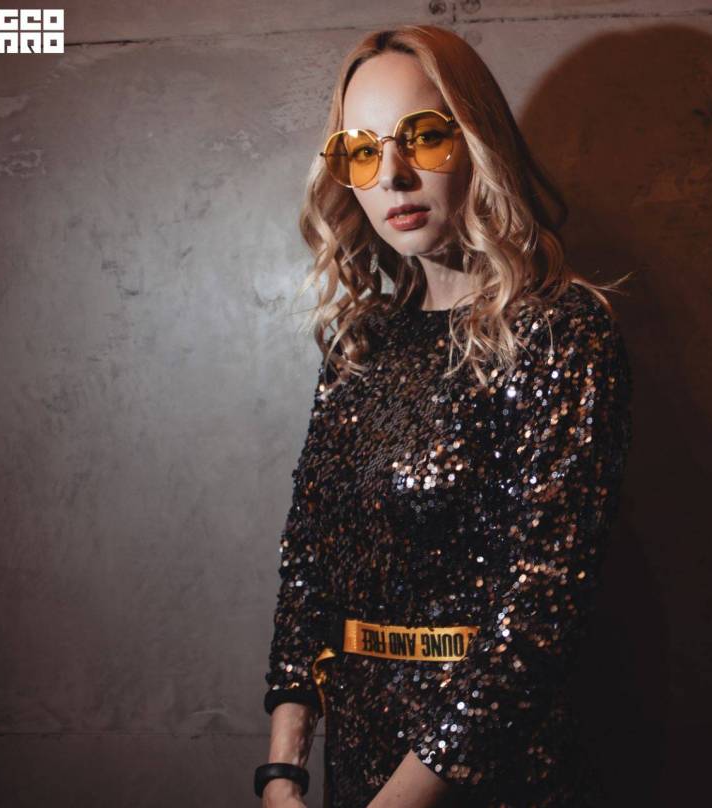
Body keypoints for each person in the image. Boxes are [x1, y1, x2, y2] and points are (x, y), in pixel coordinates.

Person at [255, 24, 634, 808]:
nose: (392, 175)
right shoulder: (363, 344)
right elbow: (308, 563)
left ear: (477, 141)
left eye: (423, 137)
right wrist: (283, 769)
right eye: (362, 151)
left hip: (494, 776)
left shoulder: (560, 333)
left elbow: (542, 612)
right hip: (357, 764)